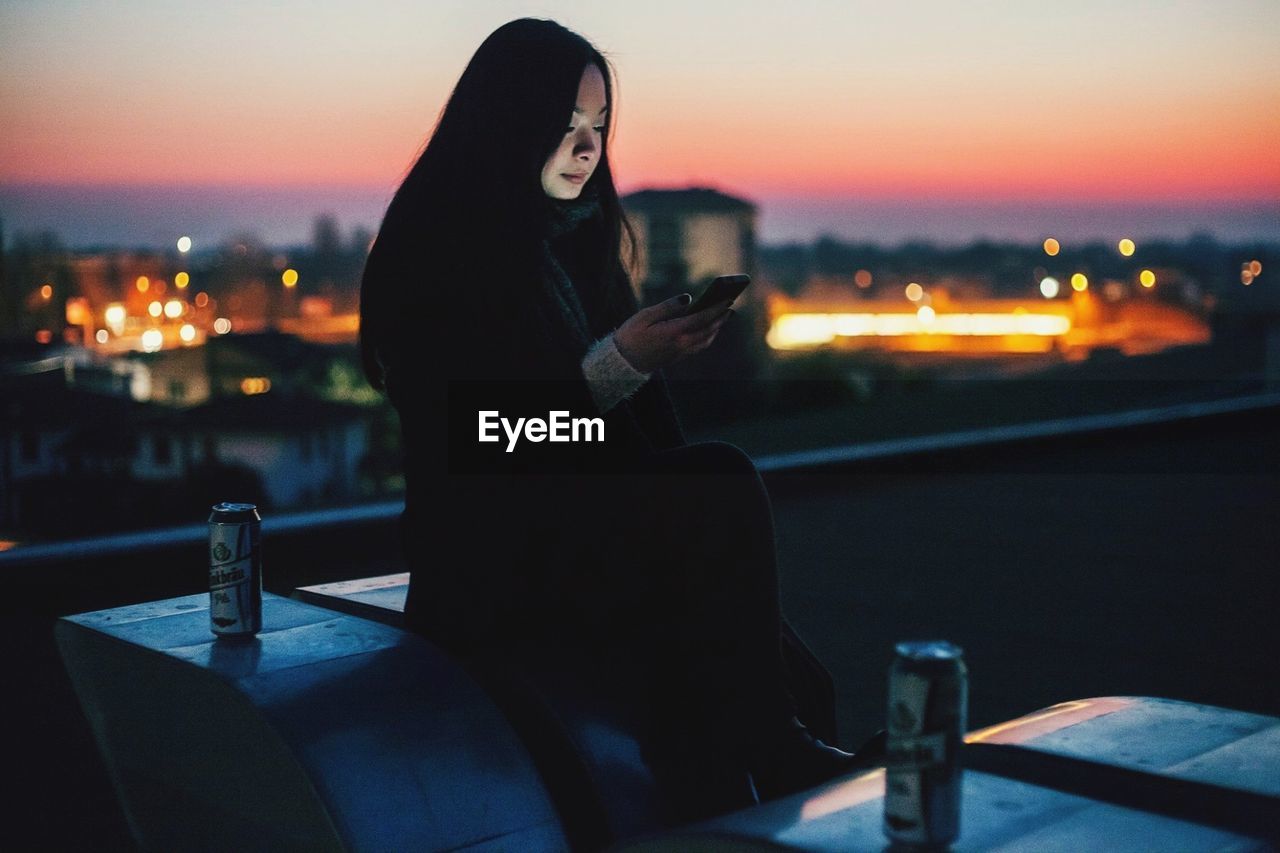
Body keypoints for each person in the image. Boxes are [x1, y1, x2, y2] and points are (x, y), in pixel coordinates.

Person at [358, 17, 874, 829]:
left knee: (744, 578)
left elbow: (624, 440)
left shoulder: (571, 241)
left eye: (597, 127)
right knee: (720, 488)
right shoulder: (432, 251)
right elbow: (477, 440)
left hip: (571, 532)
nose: (587, 148)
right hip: (485, 557)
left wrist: (642, 371)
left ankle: (764, 761)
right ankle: (771, 755)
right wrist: (616, 367)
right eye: (563, 127)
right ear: (506, 124)